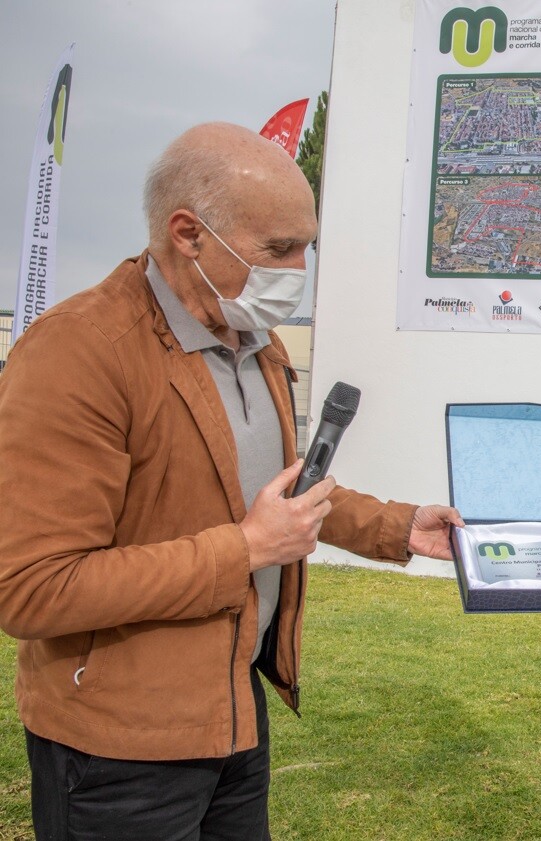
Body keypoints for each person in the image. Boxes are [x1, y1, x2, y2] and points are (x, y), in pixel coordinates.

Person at [0, 122, 463, 840]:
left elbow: (278, 490)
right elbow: (31, 586)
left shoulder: (254, 338)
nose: (300, 267)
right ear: (188, 234)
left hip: (232, 711)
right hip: (117, 748)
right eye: (279, 249)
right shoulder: (79, 351)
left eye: (307, 245)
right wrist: (242, 550)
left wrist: (396, 525)